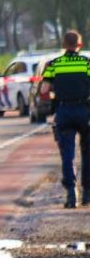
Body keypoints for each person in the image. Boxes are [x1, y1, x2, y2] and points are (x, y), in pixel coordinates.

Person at [40, 30, 90, 207]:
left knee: (68, 154)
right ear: (79, 45)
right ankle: (87, 193)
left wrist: (56, 93)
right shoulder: (86, 63)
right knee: (87, 153)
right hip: (85, 111)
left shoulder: (54, 64)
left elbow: (44, 90)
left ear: (63, 45)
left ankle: (71, 194)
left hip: (64, 111)